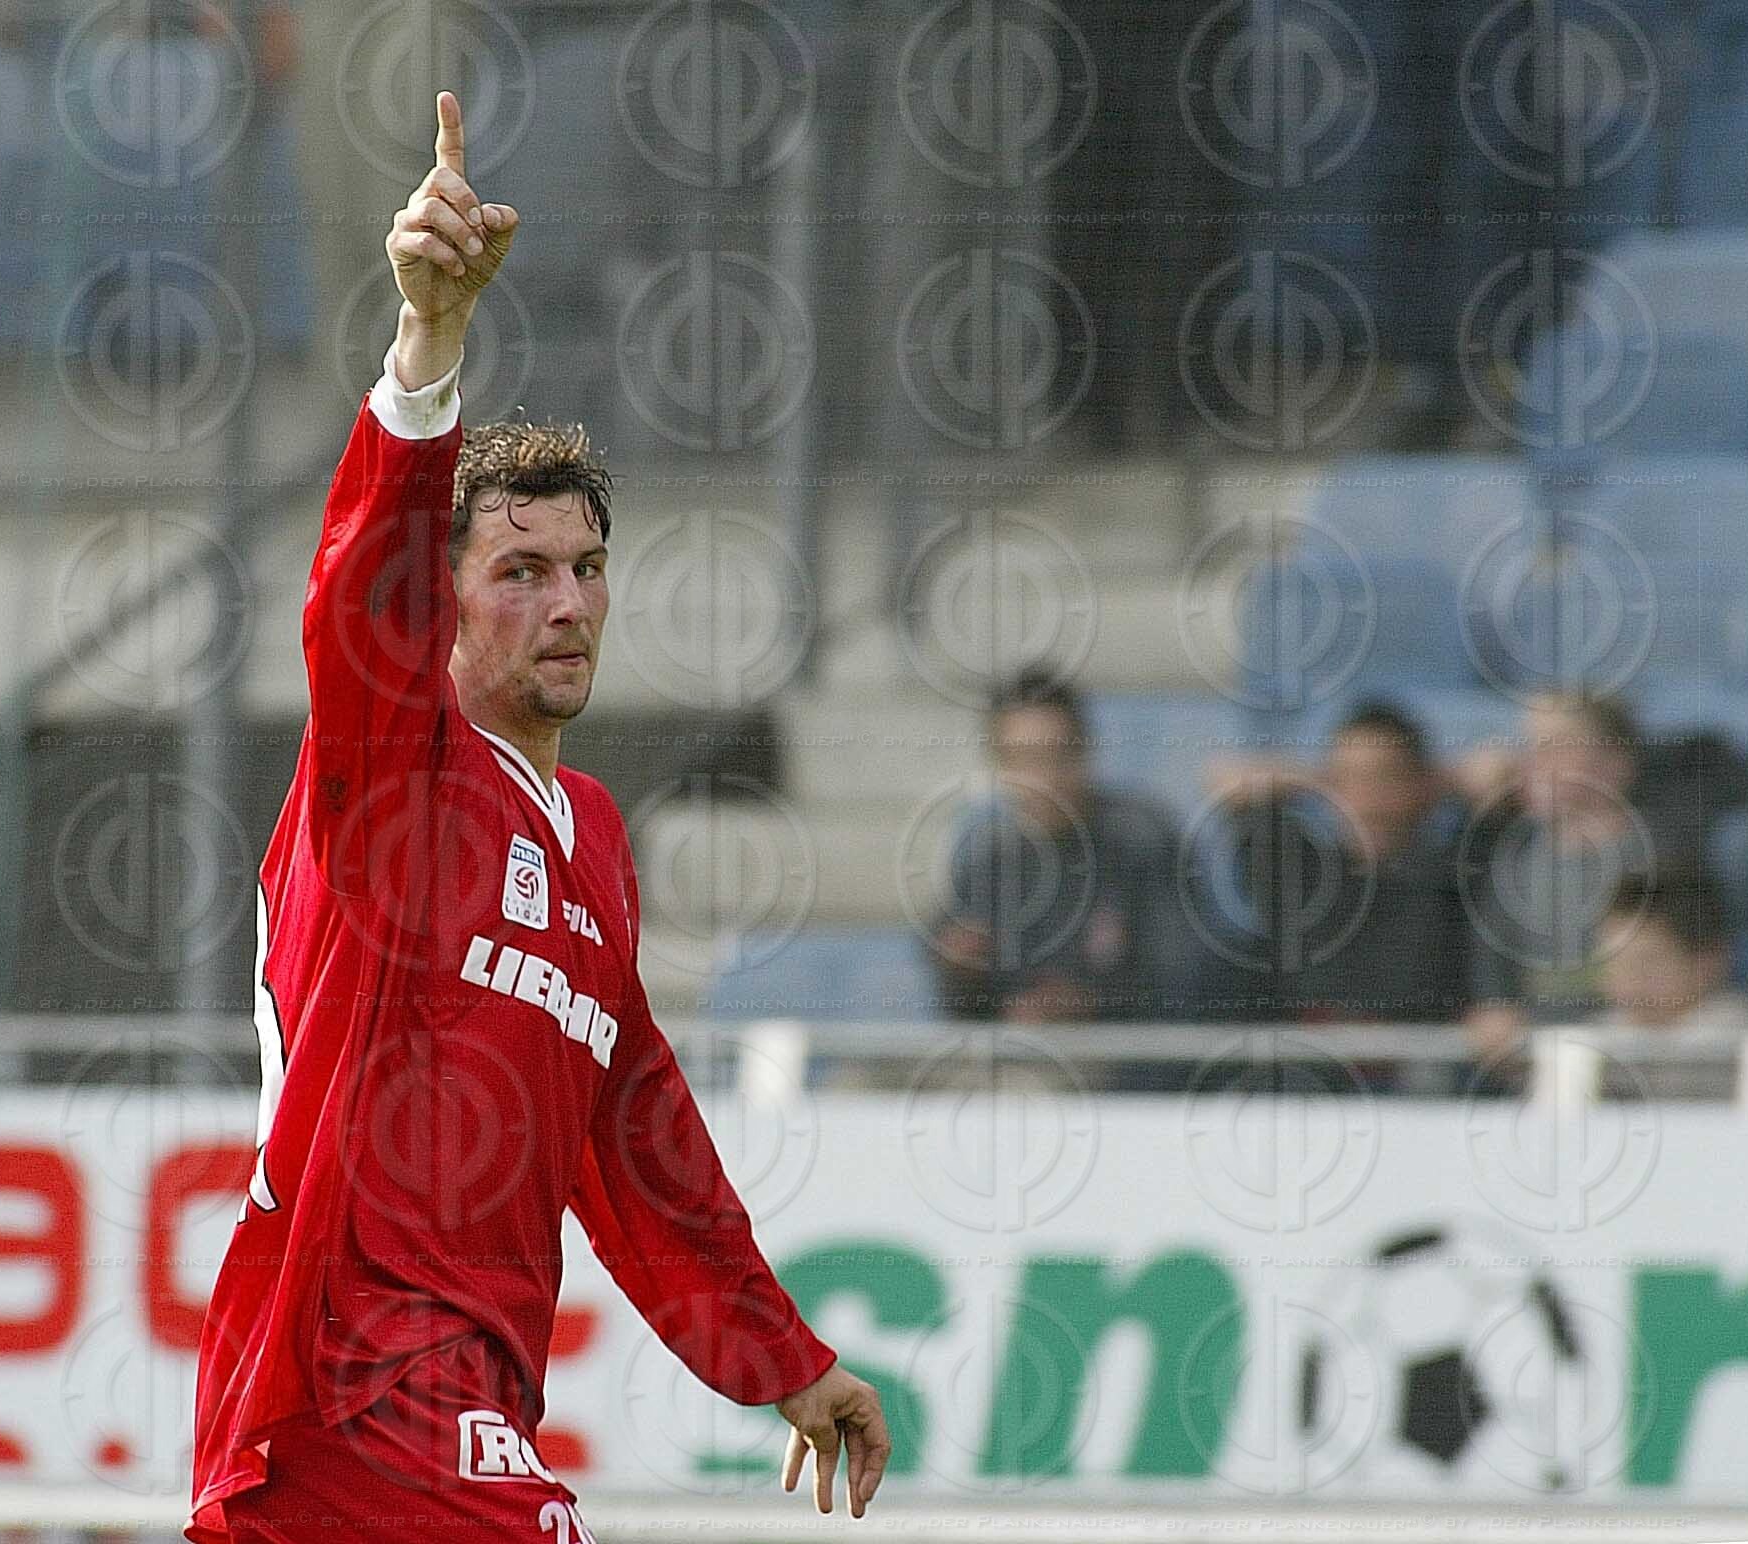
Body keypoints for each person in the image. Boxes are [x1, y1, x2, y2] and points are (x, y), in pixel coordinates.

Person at [189, 94, 889, 1544]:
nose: (566, 601)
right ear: (441, 603)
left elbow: (634, 1127)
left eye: (586, 566)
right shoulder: (394, 766)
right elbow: (356, 603)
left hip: (459, 1395)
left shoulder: (593, 836)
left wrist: (782, 1357)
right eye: (518, 571)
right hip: (344, 1382)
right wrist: (427, 345)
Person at [1458, 691, 1748, 1059]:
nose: (1532, 762)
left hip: (1648, 1052)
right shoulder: (1511, 859)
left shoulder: (1663, 852)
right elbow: (1493, 977)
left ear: (1615, 762)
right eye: (1529, 746)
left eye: (1556, 746)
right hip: (1544, 1062)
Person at [927, 669, 1202, 1024]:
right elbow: (964, 1010)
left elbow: (1184, 982)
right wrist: (963, 975)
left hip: (1117, 1051)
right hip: (1012, 1051)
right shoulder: (988, 863)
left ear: (1084, 750)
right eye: (1025, 760)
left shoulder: (1143, 841)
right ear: (1000, 765)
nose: (1045, 778)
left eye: (1057, 756)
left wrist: (1090, 1004)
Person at [1203, 700, 1474, 1028]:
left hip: (1424, 1057)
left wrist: (1441, 782)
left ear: (1422, 786)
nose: (1367, 798)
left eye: (1385, 778)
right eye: (1349, 779)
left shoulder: (1455, 876)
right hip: (1305, 1058)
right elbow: (1226, 782)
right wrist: (1318, 780)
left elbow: (1498, 777)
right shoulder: (1299, 873)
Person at [1592, 866, 1748, 1100]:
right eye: (1613, 964)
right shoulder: (1599, 1037)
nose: (1626, 986)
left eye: (1646, 965)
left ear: (1708, 960)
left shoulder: (1745, 1043)